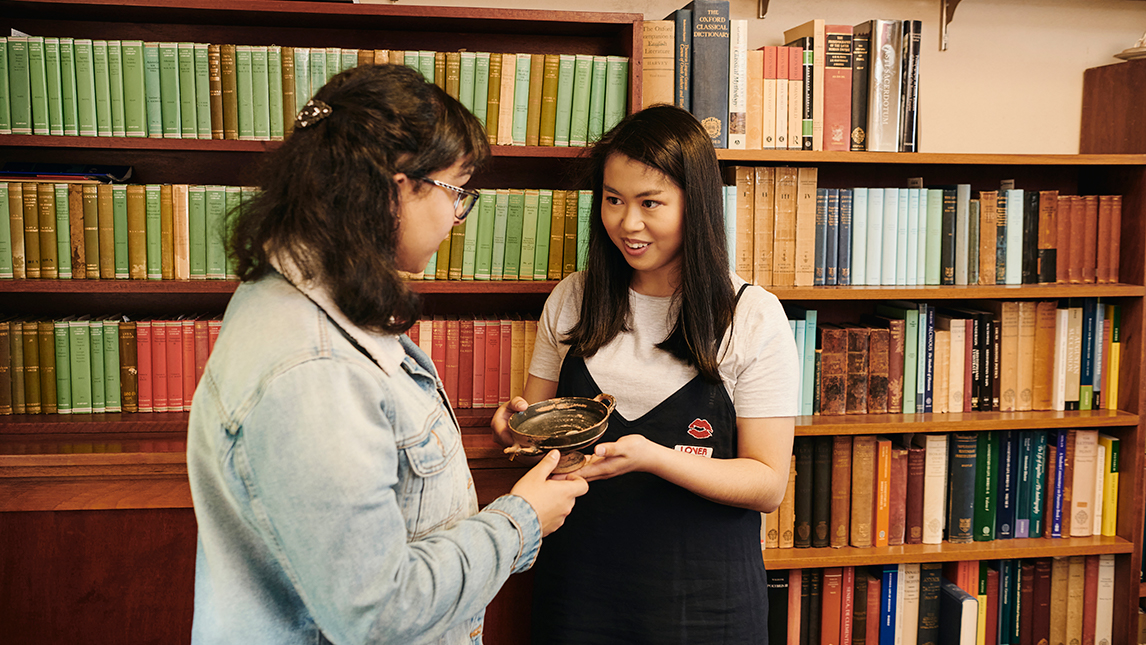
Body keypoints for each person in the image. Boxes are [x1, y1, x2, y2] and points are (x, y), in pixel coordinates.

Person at [187, 63, 588, 645]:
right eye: (456, 192)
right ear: (397, 187)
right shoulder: (314, 367)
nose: (458, 215)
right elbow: (377, 611)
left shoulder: (318, 298)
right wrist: (521, 520)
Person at [492, 104, 800, 644]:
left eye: (649, 203)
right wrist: (516, 429)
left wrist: (655, 458)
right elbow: (537, 426)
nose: (627, 223)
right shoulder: (572, 299)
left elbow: (768, 482)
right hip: (578, 589)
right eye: (613, 200)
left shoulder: (752, 315)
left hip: (706, 605)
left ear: (695, 204)